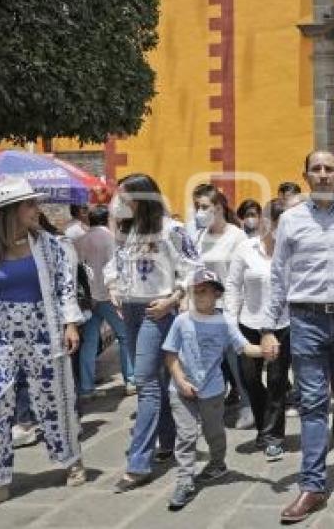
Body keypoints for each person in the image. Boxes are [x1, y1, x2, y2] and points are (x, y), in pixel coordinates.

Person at [261, 151, 334, 524]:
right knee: (313, 402)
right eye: (318, 169)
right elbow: (279, 274)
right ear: (307, 176)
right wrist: (268, 326)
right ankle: (312, 484)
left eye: (330, 169)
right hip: (306, 321)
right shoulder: (292, 221)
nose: (324, 174)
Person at [0, 177, 86, 517]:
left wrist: (71, 323)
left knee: (53, 397)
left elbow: (65, 286)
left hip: (44, 328)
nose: (38, 209)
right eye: (31, 204)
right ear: (12, 211)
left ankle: (71, 459)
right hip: (0, 333)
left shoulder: (50, 246)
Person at [105, 173, 203, 493]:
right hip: (131, 310)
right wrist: (114, 287)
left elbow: (192, 269)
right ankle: (169, 441)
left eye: (126, 197)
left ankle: (138, 463)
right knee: (155, 380)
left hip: (156, 311)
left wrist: (173, 299)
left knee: (144, 382)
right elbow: (115, 265)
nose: (121, 203)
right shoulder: (129, 230)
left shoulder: (171, 230)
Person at [162, 268, 264, 510]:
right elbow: (170, 354)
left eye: (205, 291)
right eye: (196, 291)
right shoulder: (182, 320)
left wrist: (265, 351)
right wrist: (180, 380)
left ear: (217, 294)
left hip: (213, 390)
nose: (199, 296)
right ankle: (185, 480)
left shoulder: (225, 321)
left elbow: (244, 347)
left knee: (214, 432)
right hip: (181, 390)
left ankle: (217, 463)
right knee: (186, 435)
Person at [225, 199, 291, 462]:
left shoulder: (292, 253)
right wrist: (230, 319)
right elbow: (233, 285)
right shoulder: (246, 248)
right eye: (275, 221)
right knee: (249, 379)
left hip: (282, 324)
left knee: (276, 381)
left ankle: (272, 435)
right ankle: (266, 420)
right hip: (249, 323)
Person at [190, 183, 253, 429]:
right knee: (206, 361)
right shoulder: (199, 236)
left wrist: (235, 310)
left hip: (229, 307)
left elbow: (242, 275)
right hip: (204, 308)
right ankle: (207, 407)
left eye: (204, 206)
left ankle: (248, 405)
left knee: (235, 361)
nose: (199, 211)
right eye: (197, 206)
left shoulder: (236, 236)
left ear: (218, 207)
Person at [77, 205, 135, 397]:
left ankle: (86, 387)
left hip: (90, 299)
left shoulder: (81, 240)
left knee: (89, 343)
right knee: (125, 337)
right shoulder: (111, 239)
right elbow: (115, 267)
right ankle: (131, 380)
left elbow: (81, 271)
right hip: (110, 297)